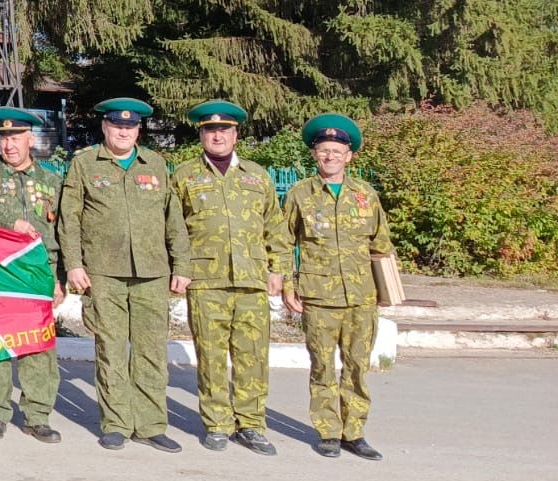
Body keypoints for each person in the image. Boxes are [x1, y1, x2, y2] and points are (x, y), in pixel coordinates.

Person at [59, 97, 190, 453]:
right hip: (103, 272)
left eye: (130, 127)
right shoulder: (85, 163)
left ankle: (150, 424)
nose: (123, 131)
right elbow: (70, 218)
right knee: (111, 349)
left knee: (150, 351)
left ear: (138, 130)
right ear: (105, 127)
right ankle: (116, 422)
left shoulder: (157, 164)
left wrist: (182, 266)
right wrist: (74, 264)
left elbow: (173, 220)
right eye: (117, 125)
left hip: (152, 272)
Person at [171, 100, 288, 455]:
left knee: (253, 354)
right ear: (201, 135)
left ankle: (251, 424)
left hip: (252, 278)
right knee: (210, 355)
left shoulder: (257, 176)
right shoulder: (185, 176)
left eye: (224, 130)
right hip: (205, 280)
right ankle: (218, 423)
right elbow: (173, 229)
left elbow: (275, 226)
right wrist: (180, 269)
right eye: (210, 130)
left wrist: (279, 269)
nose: (217, 135)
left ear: (236, 135)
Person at [282, 113, 392, 460]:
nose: (330, 156)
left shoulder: (366, 195)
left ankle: (355, 432)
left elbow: (381, 245)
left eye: (337, 151)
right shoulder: (300, 194)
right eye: (324, 150)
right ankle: (328, 431)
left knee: (358, 366)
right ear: (315, 155)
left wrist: (386, 292)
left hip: (361, 298)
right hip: (318, 297)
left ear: (349, 156)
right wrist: (287, 284)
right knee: (323, 366)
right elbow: (284, 242)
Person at [0, 106, 64, 443]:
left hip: (39, 273)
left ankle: (37, 415)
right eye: (4, 137)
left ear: (30, 138)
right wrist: (8, 223)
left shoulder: (52, 179)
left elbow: (63, 230)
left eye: (16, 137)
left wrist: (60, 277)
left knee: (37, 347)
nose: (9, 144)